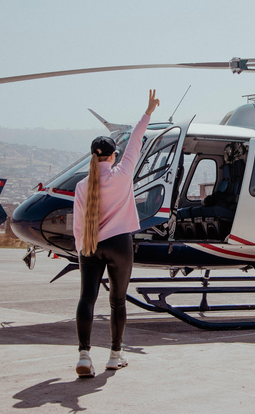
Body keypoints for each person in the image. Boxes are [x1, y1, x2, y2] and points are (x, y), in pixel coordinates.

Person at [72, 89, 160, 378]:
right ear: (113, 155)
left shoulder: (83, 185)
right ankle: (115, 355)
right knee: (117, 301)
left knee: (87, 298)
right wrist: (148, 112)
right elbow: (136, 140)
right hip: (120, 244)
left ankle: (84, 356)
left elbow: (78, 224)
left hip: (91, 245)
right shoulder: (123, 174)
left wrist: (80, 248)